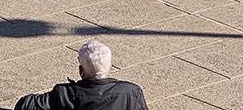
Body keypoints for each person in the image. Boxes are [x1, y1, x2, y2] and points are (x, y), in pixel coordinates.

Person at [15, 39, 147, 110]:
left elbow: (24, 105)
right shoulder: (131, 92)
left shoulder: (64, 94)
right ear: (110, 67)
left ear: (81, 71)